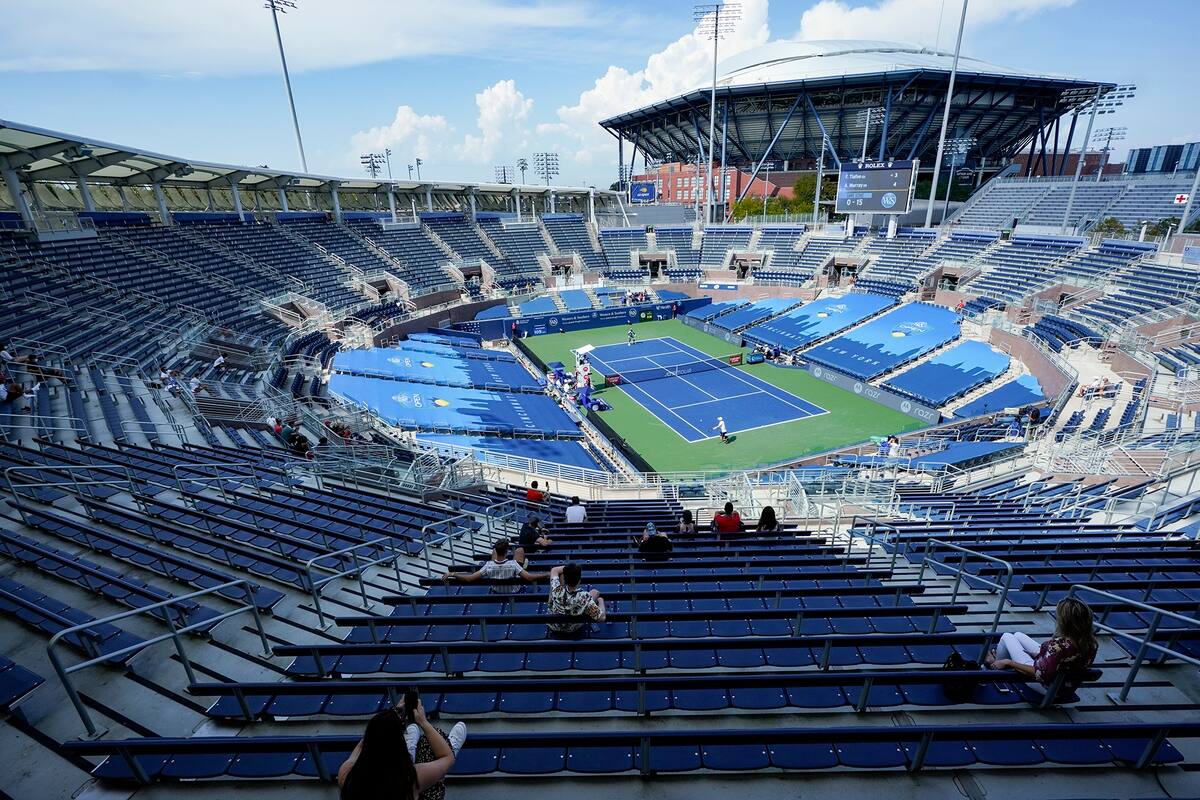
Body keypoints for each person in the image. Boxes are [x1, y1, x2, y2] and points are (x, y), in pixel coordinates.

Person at [337, 697, 466, 800]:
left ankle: (411, 751)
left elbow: (365, 743)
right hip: (408, 784)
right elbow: (447, 758)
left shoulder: (346, 775)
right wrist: (423, 722)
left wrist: (391, 717)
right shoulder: (411, 778)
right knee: (434, 780)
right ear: (399, 746)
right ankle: (449, 744)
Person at [986, 597, 1098, 695]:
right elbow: (1066, 660)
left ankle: (996, 664)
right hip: (1066, 687)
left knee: (1007, 636)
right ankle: (1000, 661)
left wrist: (1009, 662)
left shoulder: (1058, 646)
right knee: (1018, 635)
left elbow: (1039, 675)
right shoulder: (1091, 643)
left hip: (1047, 688)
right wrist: (1042, 654)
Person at [444, 539, 546, 594]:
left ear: (497, 552)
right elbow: (529, 577)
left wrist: (453, 574)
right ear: (506, 552)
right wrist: (546, 574)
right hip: (514, 591)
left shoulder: (488, 565)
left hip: (496, 591)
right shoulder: (513, 564)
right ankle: (523, 566)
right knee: (520, 551)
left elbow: (469, 578)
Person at [546, 562, 606, 638]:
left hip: (555, 626)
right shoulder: (584, 597)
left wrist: (569, 569)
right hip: (573, 628)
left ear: (565, 579)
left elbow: (554, 570)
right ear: (579, 580)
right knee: (595, 592)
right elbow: (602, 617)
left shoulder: (557, 590)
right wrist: (601, 601)